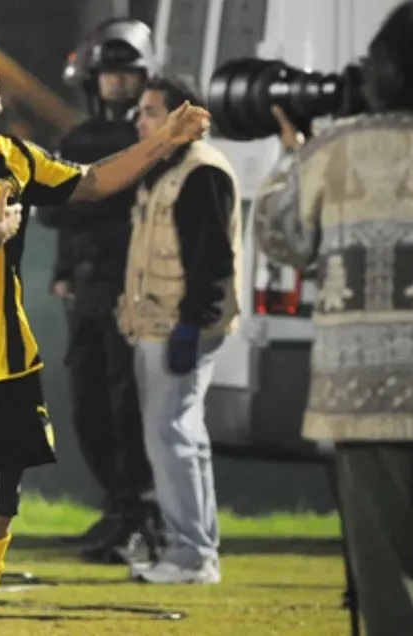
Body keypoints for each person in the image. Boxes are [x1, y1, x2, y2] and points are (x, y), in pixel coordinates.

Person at [0, 31, 210, 636]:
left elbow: (91, 181)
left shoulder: (13, 155)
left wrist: (165, 139)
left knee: (3, 509)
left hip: (12, 358)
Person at [251, 2, 413, 633]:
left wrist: (290, 155)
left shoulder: (334, 151)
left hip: (365, 393)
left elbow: (280, 238)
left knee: (386, 580)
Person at [37, 18, 158, 564]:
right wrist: (64, 269)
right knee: (90, 405)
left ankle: (142, 515)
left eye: (127, 73)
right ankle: (118, 506)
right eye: (108, 73)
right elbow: (55, 209)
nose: (116, 83)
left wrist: (88, 200)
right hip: (85, 289)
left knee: (129, 403)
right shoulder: (78, 139)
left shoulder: (150, 139)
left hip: (131, 290)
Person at [120, 74, 241, 585]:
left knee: (171, 437)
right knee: (182, 437)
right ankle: (195, 549)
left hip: (177, 325)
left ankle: (191, 555)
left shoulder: (200, 172)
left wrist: (191, 326)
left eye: (152, 110)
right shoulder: (165, 168)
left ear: (182, 116)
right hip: (158, 323)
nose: (141, 119)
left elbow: (211, 260)